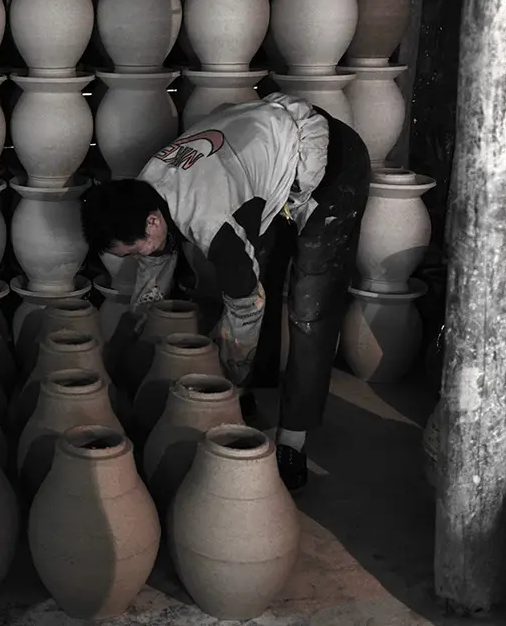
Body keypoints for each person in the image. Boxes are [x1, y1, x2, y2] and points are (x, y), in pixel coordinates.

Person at [80, 92, 370, 491]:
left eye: (133, 250)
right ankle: (252, 388)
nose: (137, 257)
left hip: (329, 161)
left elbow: (246, 305)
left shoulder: (208, 220)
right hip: (264, 150)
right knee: (258, 266)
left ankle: (293, 438)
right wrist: (133, 340)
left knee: (308, 304)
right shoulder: (145, 190)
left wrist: (224, 380)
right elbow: (153, 267)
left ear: (152, 223)